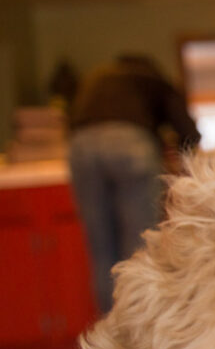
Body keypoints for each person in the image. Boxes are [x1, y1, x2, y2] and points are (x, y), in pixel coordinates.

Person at [68, 54, 201, 315]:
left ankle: (112, 331)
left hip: (80, 147)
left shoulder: (96, 78)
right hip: (131, 144)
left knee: (101, 251)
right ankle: (140, 329)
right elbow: (189, 134)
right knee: (140, 246)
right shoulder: (153, 79)